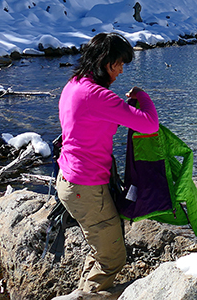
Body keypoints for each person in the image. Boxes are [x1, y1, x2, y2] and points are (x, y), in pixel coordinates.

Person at [54, 32, 159, 299]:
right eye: (119, 64)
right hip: (87, 188)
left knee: (100, 249)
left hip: (71, 180)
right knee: (112, 258)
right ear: (104, 61)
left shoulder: (74, 85)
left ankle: (83, 291)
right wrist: (142, 96)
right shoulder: (97, 96)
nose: (122, 71)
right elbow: (149, 124)